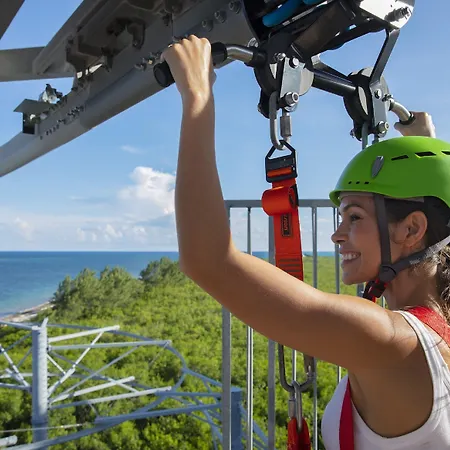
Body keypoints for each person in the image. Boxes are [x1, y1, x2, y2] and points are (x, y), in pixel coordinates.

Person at [162, 36, 450, 448]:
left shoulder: (389, 341)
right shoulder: (435, 332)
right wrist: (428, 147)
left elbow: (207, 261)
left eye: (354, 217)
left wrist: (197, 96)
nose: (337, 234)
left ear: (412, 230)